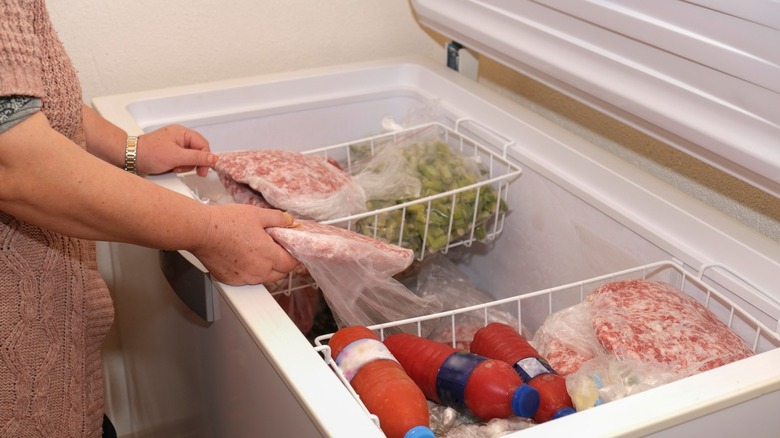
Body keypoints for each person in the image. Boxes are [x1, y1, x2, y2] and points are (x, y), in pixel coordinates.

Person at [0, 1, 301, 437]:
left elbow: (24, 89)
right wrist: (209, 230)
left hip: (49, 373)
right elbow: (15, 160)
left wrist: (128, 149)